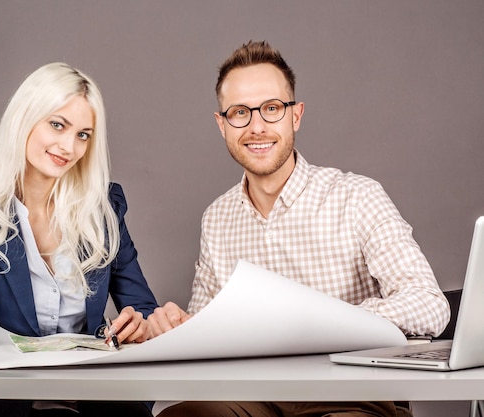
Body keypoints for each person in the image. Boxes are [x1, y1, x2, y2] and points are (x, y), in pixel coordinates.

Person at [147, 41, 451, 417]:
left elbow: (429, 305)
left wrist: (328, 322)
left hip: (352, 394)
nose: (257, 126)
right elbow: (206, 329)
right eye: (240, 112)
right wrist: (178, 327)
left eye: (271, 109)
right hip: (250, 396)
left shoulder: (357, 196)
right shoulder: (217, 217)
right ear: (221, 124)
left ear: (296, 115)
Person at [0, 62, 158, 417]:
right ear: (25, 119)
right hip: (10, 403)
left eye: (83, 135)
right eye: (57, 125)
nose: (68, 146)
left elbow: (143, 308)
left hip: (98, 402)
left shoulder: (104, 210)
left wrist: (140, 324)